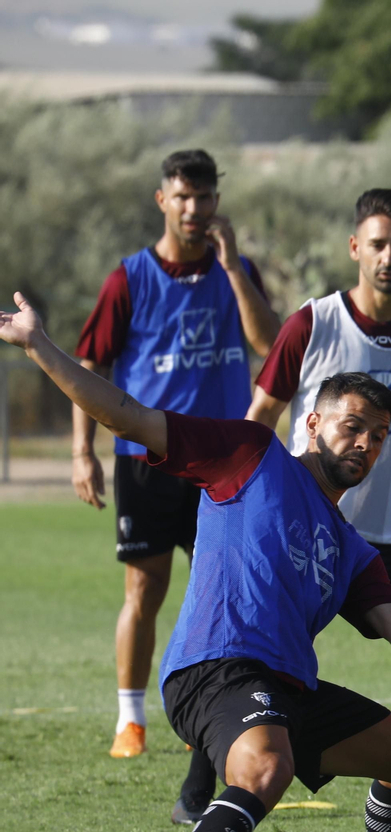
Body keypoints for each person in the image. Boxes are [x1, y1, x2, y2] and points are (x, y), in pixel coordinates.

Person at [1, 295, 391, 832]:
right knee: (266, 766)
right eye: (354, 426)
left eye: (380, 435)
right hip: (215, 669)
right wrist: (39, 345)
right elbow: (128, 414)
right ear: (313, 422)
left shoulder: (349, 544)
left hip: (288, 687)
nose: (366, 443)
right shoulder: (249, 452)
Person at [169, 187, 391, 822]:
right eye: (377, 244)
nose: (389, 256)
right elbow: (260, 415)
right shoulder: (314, 323)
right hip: (315, 526)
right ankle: (198, 784)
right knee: (249, 646)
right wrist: (242, 503)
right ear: (356, 247)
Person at [74, 148, 280, 760]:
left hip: (219, 460)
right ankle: (130, 720)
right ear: (162, 200)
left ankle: (209, 718)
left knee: (223, 592)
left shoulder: (235, 268)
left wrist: (235, 269)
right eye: (183, 196)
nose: (195, 208)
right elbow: (91, 365)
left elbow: (270, 345)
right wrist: (83, 452)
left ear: (218, 201)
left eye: (206, 196)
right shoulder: (128, 278)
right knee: (144, 589)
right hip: (145, 459)